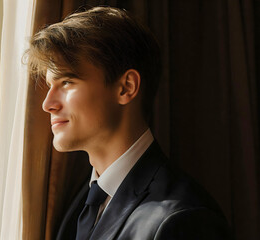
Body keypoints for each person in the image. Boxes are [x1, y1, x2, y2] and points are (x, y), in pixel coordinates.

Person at [26, 6, 231, 240]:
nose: (47, 104)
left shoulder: (184, 219)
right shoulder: (77, 207)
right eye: (50, 84)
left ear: (126, 87)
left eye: (67, 82)